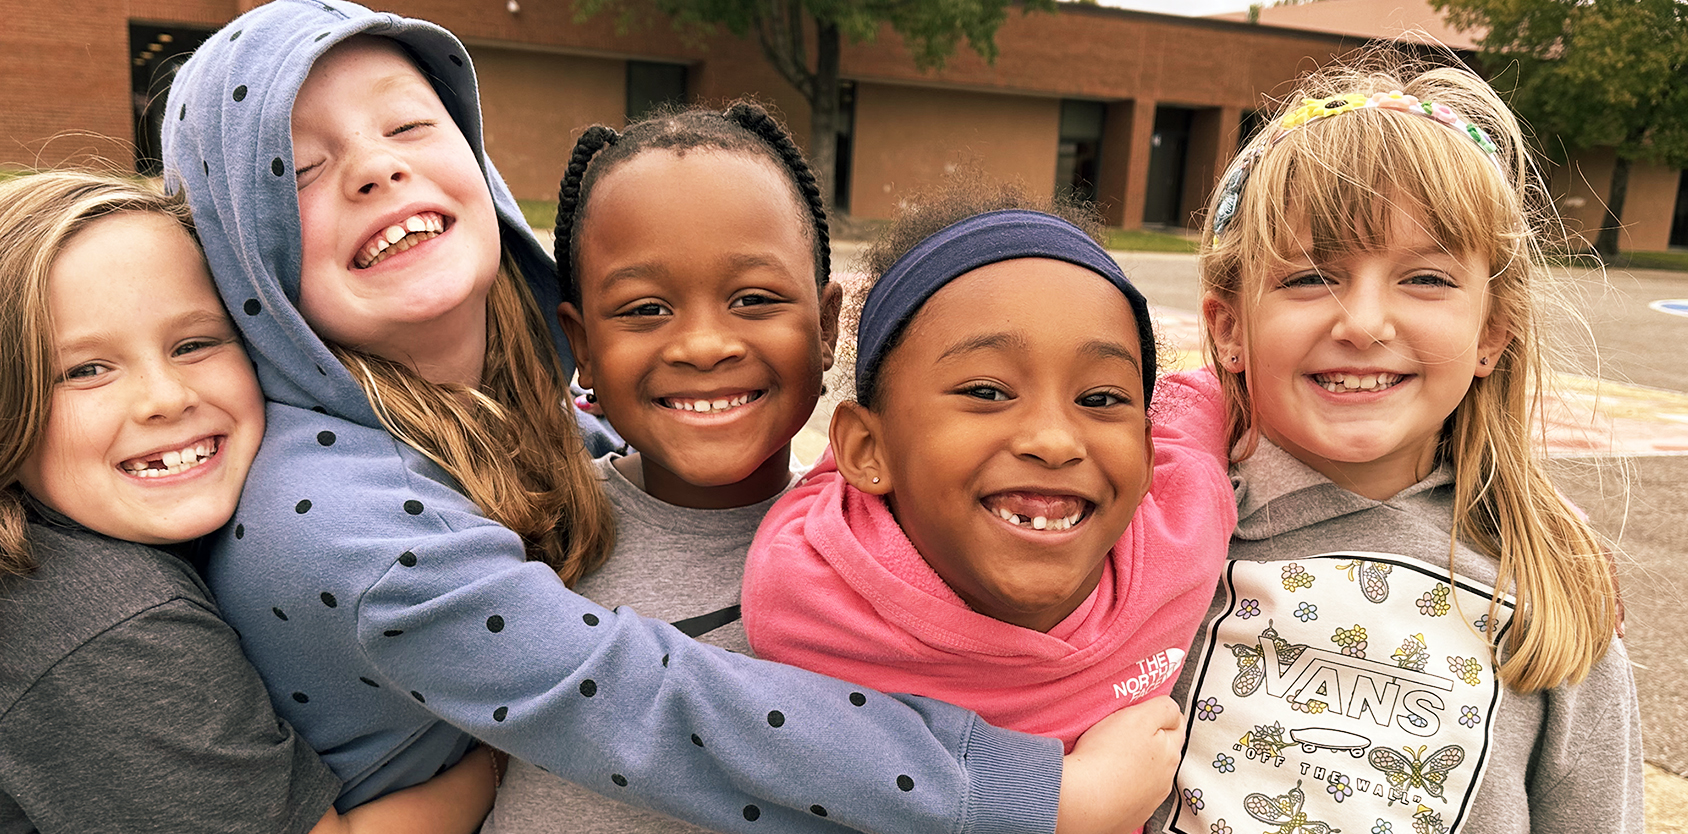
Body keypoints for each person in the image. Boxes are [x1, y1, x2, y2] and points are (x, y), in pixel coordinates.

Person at [160, 2, 1181, 831]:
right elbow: (633, 700)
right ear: (243, 250)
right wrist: (1039, 796)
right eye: (295, 167)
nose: (376, 166)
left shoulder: (527, 445)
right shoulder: (335, 515)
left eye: (409, 124)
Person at [0, 170, 498, 833]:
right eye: (85, 369)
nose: (164, 398)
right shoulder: (96, 616)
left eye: (194, 344)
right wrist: (503, 763)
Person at [1156, 55, 1642, 834]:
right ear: (1229, 327)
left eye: (1426, 279)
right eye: (1311, 276)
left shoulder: (1553, 588)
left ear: (1491, 334)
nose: (1364, 323)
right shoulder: (1149, 532)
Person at [739, 180, 1236, 750]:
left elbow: (1211, 395)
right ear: (866, 451)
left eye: (1099, 399)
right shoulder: (808, 595)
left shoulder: (1185, 520)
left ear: (1148, 458)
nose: (1054, 442)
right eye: (987, 391)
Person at [483, 101, 841, 833]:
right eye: (645, 309)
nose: (704, 345)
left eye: (753, 299)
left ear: (828, 326)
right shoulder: (529, 530)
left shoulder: (879, 554)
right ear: (580, 344)